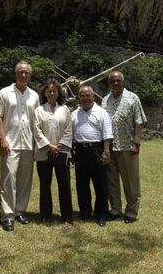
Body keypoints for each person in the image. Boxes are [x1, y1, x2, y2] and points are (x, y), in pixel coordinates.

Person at [0, 60, 39, 231]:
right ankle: (7, 215)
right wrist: (2, 139)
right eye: (20, 72)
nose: (23, 75)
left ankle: (20, 210)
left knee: (24, 180)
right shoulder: (4, 93)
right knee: (8, 179)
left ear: (30, 75)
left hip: (29, 142)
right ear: (16, 73)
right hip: (10, 142)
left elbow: (37, 121)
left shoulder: (34, 96)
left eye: (26, 72)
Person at [101, 71, 147, 223]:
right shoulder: (105, 100)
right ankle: (115, 210)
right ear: (109, 83)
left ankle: (131, 212)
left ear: (123, 82)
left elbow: (139, 122)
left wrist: (137, 142)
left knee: (130, 181)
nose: (115, 83)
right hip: (110, 147)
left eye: (118, 80)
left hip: (128, 147)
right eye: (113, 81)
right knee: (112, 181)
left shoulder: (133, 98)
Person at [71, 85, 113, 226]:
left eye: (88, 95)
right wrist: (72, 151)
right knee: (82, 184)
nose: (85, 98)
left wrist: (106, 152)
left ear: (93, 96)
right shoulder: (74, 114)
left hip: (97, 150)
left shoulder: (102, 112)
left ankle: (101, 214)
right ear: (79, 98)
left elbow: (107, 134)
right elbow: (71, 135)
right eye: (82, 96)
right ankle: (85, 212)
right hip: (80, 151)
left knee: (100, 185)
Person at [34, 79, 73, 227]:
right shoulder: (39, 110)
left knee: (64, 184)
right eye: (49, 91)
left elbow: (69, 130)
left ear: (58, 93)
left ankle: (67, 217)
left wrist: (59, 145)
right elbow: (36, 130)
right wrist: (49, 146)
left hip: (61, 152)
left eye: (54, 91)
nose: (51, 93)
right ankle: (45, 216)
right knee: (45, 184)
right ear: (44, 93)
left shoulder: (65, 110)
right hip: (44, 153)